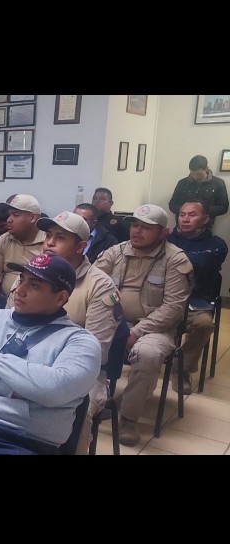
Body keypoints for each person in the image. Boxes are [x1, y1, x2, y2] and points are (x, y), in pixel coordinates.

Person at [0, 253, 102, 454]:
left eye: (34, 285)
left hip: (20, 440)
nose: (19, 290)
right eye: (21, 280)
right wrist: (14, 389)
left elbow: (54, 389)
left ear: (60, 298)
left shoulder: (80, 342)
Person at [14, 210, 122, 454]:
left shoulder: (100, 285)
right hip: (22, 357)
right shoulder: (31, 272)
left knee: (79, 410)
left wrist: (43, 373)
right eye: (48, 235)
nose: (49, 243)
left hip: (78, 370)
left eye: (60, 238)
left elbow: (95, 350)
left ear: (81, 247)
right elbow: (9, 322)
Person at [94, 204, 193, 446]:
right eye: (135, 225)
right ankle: (92, 401)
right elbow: (92, 284)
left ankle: (128, 419)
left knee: (147, 354)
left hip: (154, 328)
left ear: (163, 232)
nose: (137, 231)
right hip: (113, 320)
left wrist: (137, 331)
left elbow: (173, 308)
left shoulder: (175, 259)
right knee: (82, 338)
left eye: (146, 227)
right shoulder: (115, 252)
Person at [167, 199, 227, 394]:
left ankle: (181, 367)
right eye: (182, 215)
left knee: (204, 324)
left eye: (192, 215)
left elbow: (202, 265)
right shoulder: (165, 239)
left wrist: (172, 258)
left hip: (195, 301)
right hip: (163, 299)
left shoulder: (217, 244)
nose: (185, 219)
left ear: (205, 219)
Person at [0, 194, 45, 296]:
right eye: (9, 215)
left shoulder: (48, 243)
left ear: (32, 217)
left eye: (15, 215)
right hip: (4, 301)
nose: (9, 220)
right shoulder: (2, 241)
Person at [168, 154, 229, 224]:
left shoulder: (218, 183)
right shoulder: (182, 183)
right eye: (192, 173)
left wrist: (202, 211)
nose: (195, 176)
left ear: (206, 169)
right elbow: (172, 205)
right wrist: (185, 211)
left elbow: (224, 207)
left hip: (206, 223)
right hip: (182, 222)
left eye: (199, 174)